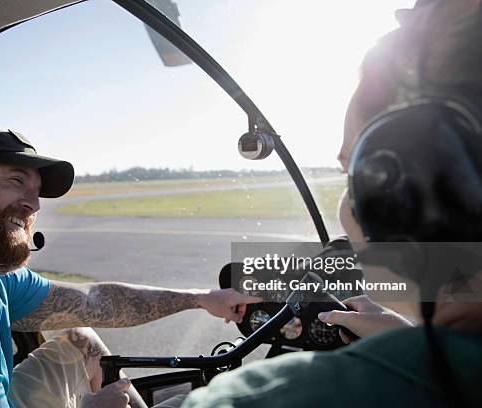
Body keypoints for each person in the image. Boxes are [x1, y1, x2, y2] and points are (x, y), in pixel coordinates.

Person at [180, 1, 482, 407]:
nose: (349, 206)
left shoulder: (267, 399)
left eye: (358, 176)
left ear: (413, 198)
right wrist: (408, 335)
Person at [0, 123, 262, 407]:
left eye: (36, 191)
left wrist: (202, 299)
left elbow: (93, 301)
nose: (33, 205)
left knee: (79, 336)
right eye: (15, 180)